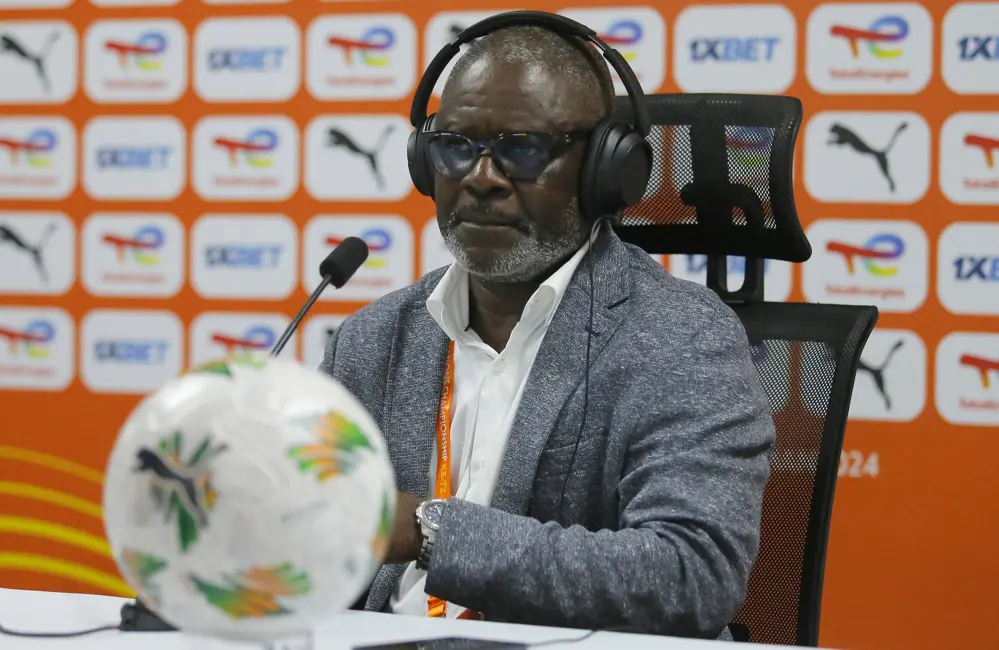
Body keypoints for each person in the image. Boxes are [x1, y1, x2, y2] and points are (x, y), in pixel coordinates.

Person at [320, 24, 776, 641]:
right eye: (456, 145)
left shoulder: (684, 338)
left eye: (523, 148)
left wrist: (427, 533)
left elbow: (689, 576)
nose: (482, 177)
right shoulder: (373, 339)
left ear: (608, 169)